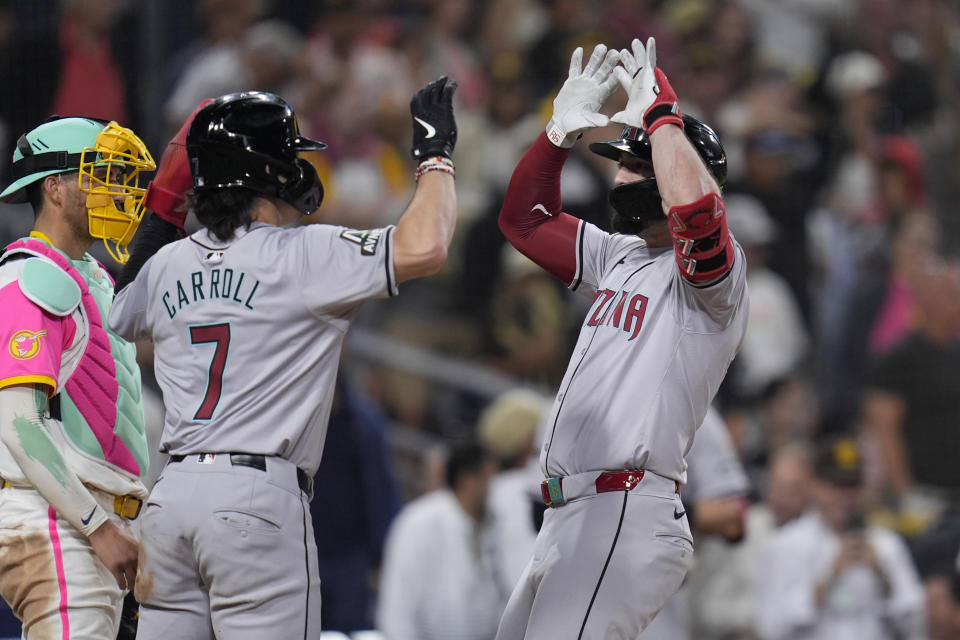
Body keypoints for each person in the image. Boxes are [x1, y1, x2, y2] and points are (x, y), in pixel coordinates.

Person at [108, 78, 458, 639]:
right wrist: (435, 157)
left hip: (170, 500)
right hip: (254, 499)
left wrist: (165, 206)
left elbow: (120, 311)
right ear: (270, 172)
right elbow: (425, 246)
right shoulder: (304, 253)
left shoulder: (168, 263)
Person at [494, 37, 749, 639]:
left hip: (625, 506)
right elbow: (523, 220)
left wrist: (662, 120)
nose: (621, 171)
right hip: (570, 515)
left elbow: (699, 220)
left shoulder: (718, 273)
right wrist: (556, 136)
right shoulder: (621, 255)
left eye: (637, 162)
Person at [0, 116, 155, 637]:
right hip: (55, 519)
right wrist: (96, 526)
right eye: (102, 175)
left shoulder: (89, 275)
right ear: (55, 188)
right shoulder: (29, 276)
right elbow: (19, 423)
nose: (118, 190)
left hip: (95, 519)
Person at [755, 437, 925, 640]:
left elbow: (915, 624)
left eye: (851, 486)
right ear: (813, 484)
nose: (843, 496)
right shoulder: (786, 545)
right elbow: (771, 627)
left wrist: (882, 576)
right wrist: (828, 579)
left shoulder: (886, 544)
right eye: (834, 485)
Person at [376, 440, 505, 640]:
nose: (497, 487)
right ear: (468, 480)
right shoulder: (420, 522)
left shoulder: (492, 523)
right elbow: (398, 603)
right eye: (491, 478)